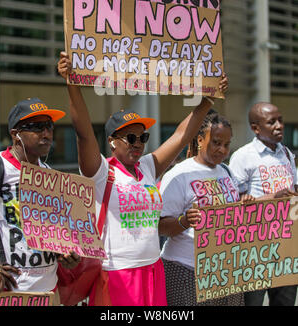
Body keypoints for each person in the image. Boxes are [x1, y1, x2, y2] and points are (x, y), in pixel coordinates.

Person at [57, 52, 228, 306]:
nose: (139, 144)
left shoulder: (147, 167)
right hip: (117, 273)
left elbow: (181, 137)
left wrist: (206, 101)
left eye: (143, 138)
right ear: (113, 141)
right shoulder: (102, 172)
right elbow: (83, 133)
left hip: (152, 269)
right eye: (131, 138)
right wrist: (72, 83)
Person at [159, 111, 254, 306]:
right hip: (186, 270)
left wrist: (246, 203)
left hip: (224, 269)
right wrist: (184, 221)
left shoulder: (226, 172)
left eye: (227, 145)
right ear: (200, 140)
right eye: (216, 142)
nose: (222, 150)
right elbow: (161, 226)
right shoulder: (179, 175)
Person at [0, 97, 80, 302]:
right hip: (9, 293)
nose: (46, 134)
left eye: (49, 127)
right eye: (37, 127)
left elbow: (59, 232)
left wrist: (67, 253)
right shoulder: (1, 167)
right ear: (15, 135)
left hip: (48, 291)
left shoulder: (51, 176)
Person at [229, 102, 298, 307]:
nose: (279, 126)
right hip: (255, 249)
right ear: (255, 128)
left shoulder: (286, 153)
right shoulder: (242, 157)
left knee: (285, 301)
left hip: (286, 245)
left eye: (280, 120)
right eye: (271, 122)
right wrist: (272, 198)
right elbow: (234, 203)